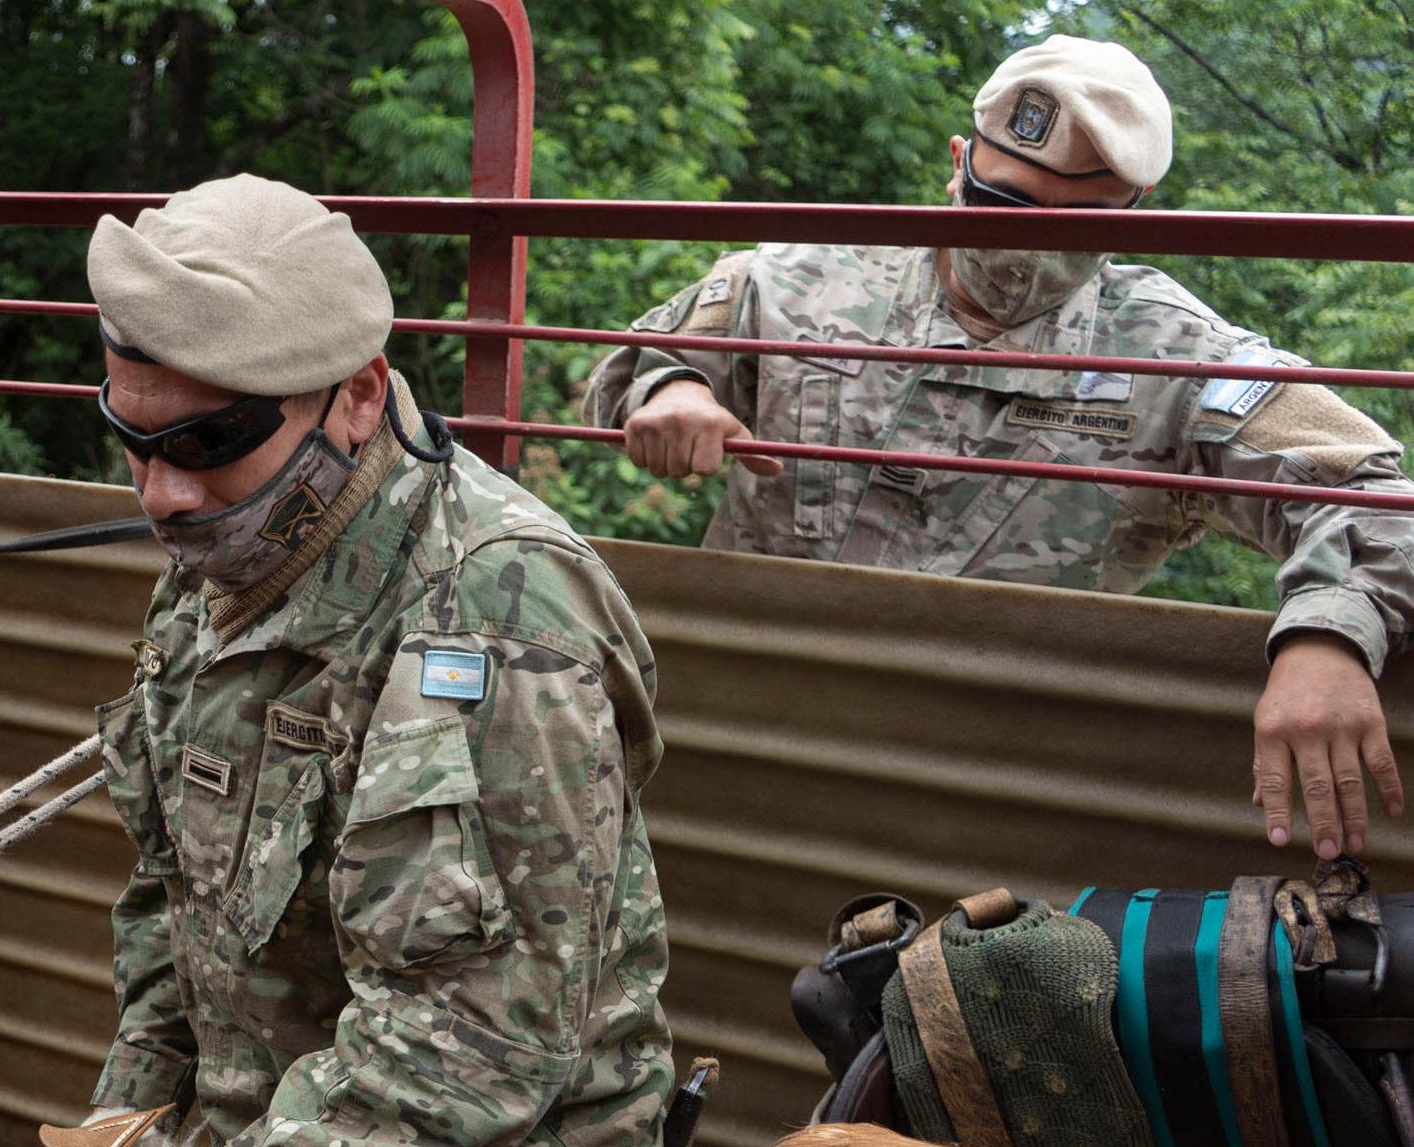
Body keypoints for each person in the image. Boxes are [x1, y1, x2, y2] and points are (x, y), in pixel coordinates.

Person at [40, 173, 674, 1147]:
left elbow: (486, 1033)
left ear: (353, 394)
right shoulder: (232, 549)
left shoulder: (498, 613)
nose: (158, 495)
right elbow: (175, 896)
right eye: (129, 438)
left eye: (204, 443)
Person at [587, 35, 1414, 863]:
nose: (1030, 246)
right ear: (958, 161)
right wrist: (672, 393)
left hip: (985, 786)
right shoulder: (798, 280)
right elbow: (638, 361)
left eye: (1079, 223)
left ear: (1137, 205)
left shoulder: (1175, 358)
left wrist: (1327, 637)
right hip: (743, 739)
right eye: (1006, 203)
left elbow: (1373, 493)